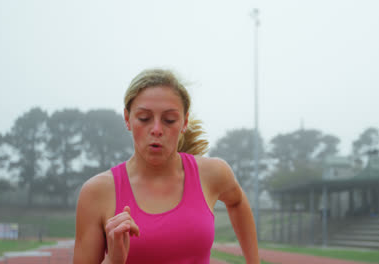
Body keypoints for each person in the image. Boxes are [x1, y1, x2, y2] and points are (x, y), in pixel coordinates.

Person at [73, 69, 260, 264]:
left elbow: (237, 202)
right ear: (127, 119)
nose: (156, 129)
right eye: (144, 118)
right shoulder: (97, 192)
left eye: (169, 120)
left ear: (184, 122)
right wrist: (112, 260)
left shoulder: (213, 173)